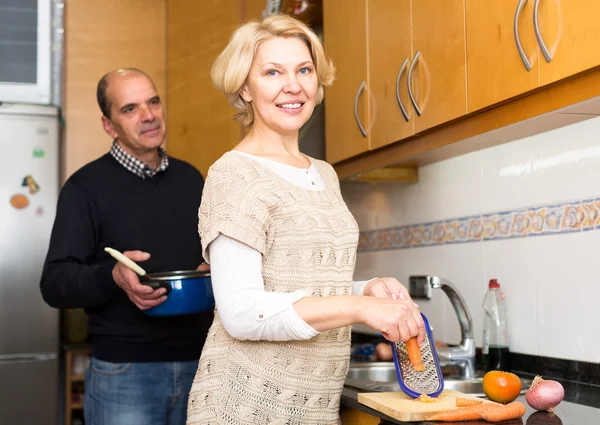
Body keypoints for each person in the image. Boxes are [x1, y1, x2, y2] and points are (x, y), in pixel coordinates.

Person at [186, 15, 426, 425]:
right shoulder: (234, 175)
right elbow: (241, 311)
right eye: (272, 72)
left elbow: (294, 282)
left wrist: (366, 291)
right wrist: (357, 308)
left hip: (314, 407)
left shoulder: (323, 173)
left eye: (304, 70)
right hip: (244, 406)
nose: (293, 85)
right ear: (245, 87)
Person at [40, 68, 213, 425]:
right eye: (130, 109)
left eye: (153, 102)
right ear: (109, 125)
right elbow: (54, 283)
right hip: (125, 372)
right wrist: (112, 277)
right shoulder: (84, 188)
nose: (148, 116)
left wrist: (209, 269)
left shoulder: (191, 178)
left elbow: (204, 256)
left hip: (203, 364)